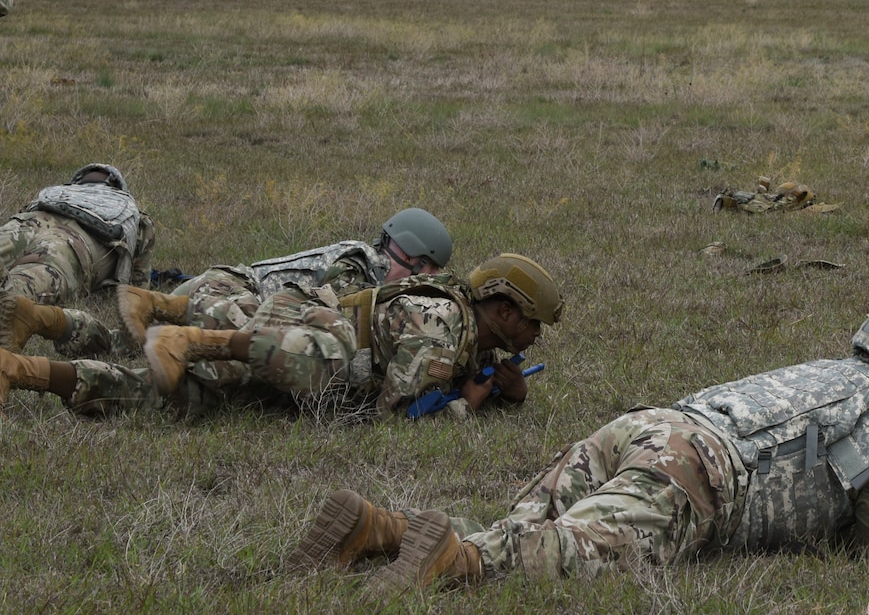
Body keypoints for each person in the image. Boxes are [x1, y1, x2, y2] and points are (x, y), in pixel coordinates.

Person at [291, 299, 869, 589]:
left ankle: (382, 530)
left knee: (531, 522)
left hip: (643, 428)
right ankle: (453, 561)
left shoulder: (830, 371)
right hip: (698, 475)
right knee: (570, 551)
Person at [0, 252, 558, 420]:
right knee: (190, 365)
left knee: (171, 394)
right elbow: (399, 416)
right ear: (503, 312)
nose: (535, 334)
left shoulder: (468, 332)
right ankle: (195, 340)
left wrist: (512, 392)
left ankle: (30, 358)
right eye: (532, 321)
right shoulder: (443, 327)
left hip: (297, 339)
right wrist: (470, 404)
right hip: (308, 343)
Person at [115, 207, 454, 344]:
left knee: (130, 340)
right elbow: (334, 317)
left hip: (223, 288)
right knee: (248, 328)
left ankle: (73, 326)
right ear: (408, 254)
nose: (427, 280)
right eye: (428, 269)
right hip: (230, 289)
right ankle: (150, 302)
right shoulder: (356, 266)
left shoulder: (369, 267)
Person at [0, 163, 156, 358]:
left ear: (77, 183)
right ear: (117, 187)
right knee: (16, 293)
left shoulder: (52, 195)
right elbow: (139, 290)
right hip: (70, 245)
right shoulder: (134, 216)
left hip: (26, 224)